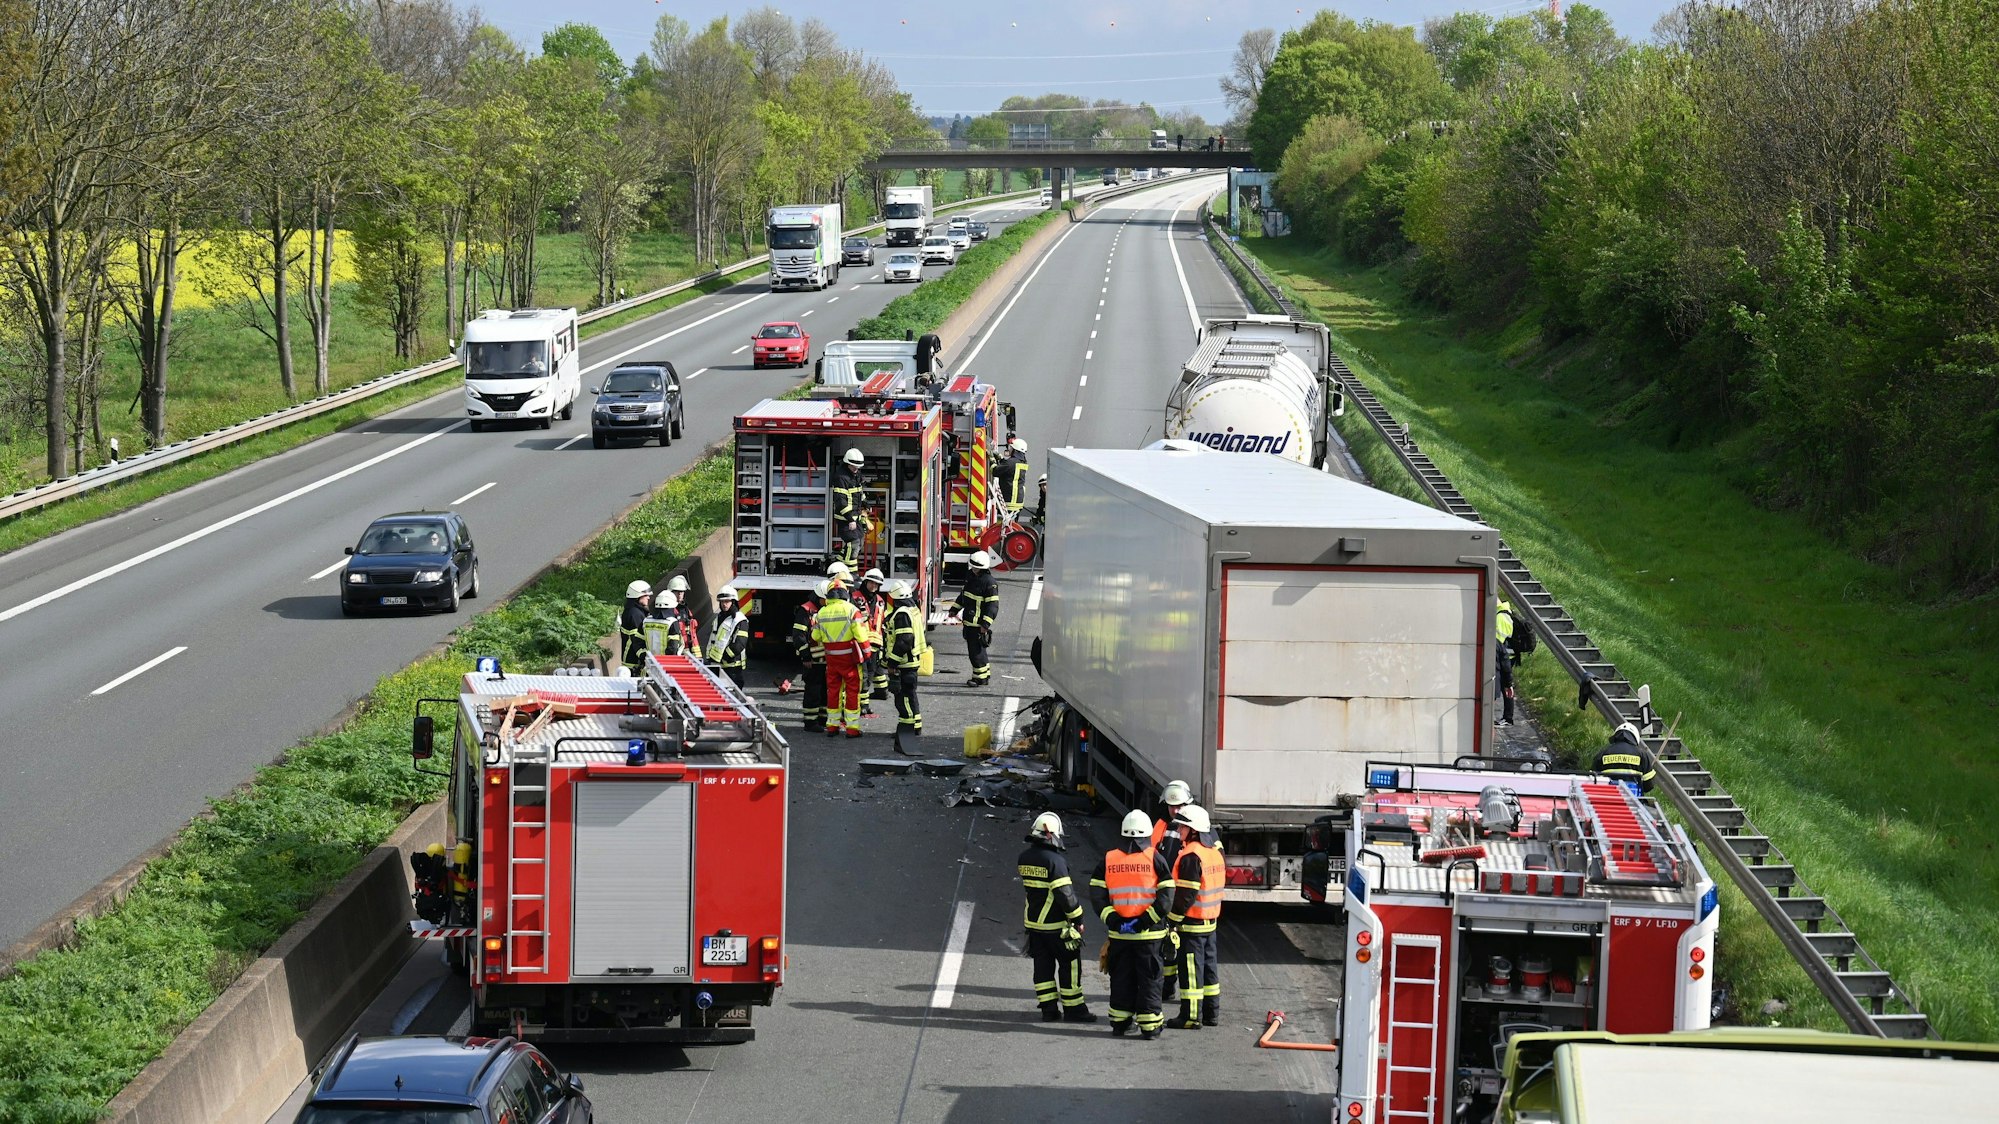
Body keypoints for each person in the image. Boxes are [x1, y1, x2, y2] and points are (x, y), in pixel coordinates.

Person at [1090, 810, 1174, 1040]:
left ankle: (1120, 1023)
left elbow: (1097, 895)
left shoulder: (1109, 859)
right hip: (1148, 936)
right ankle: (1150, 1027)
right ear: (1147, 834)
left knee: (1121, 979)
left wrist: (1114, 920)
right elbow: (1166, 898)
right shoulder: (1155, 858)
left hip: (1119, 935)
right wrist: (1144, 921)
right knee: (1149, 981)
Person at [1019, 812, 1097, 1024]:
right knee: (1069, 966)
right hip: (1057, 927)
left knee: (1042, 967)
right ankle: (1074, 1010)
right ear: (1054, 835)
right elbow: (1066, 896)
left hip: (1034, 925)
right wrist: (1078, 919)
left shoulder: (1024, 858)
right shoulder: (1055, 862)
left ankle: (1049, 1010)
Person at [1166, 805, 1224, 1029]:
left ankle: (1190, 1017)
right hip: (1210, 922)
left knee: (1190, 970)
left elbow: (1186, 895)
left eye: (1182, 826)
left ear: (1193, 830)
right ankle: (1211, 1014)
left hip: (1192, 923)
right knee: (1209, 969)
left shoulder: (1192, 856)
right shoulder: (1213, 854)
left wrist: (1172, 919)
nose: (1179, 830)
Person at [1150, 778, 1194, 1000]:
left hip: (1183, 893)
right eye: (1172, 806)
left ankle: (1174, 986)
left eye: (1179, 806)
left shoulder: (1193, 828)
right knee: (1166, 943)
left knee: (1180, 943)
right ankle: (1167, 987)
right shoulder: (1161, 825)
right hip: (1164, 893)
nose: (1175, 810)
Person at [811, 581, 867, 738]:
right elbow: (861, 636)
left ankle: (832, 726)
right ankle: (852, 728)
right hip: (849, 659)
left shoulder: (821, 612)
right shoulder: (852, 610)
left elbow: (815, 637)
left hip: (831, 660)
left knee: (833, 692)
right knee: (852, 692)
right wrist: (867, 653)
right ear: (845, 592)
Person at [881, 579, 927, 754]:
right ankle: (915, 726)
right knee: (910, 695)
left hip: (904, 664)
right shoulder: (912, 610)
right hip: (911, 662)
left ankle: (906, 731)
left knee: (903, 699)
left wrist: (892, 662)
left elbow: (904, 641)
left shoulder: (901, 614)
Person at [956, 549, 999, 686]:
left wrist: (985, 624)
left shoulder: (989, 583)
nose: (973, 569)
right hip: (969, 622)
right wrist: (954, 609)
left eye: (976, 567)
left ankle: (979, 678)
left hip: (978, 624)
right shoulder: (971, 577)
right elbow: (964, 596)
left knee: (976, 653)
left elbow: (992, 606)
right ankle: (984, 675)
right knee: (978, 651)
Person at [790, 583, 828, 732]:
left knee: (825, 690)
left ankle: (822, 720)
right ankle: (810, 722)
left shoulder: (825, 609)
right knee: (813, 690)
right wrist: (806, 657)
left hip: (825, 659)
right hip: (812, 659)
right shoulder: (805, 610)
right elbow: (798, 636)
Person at [855, 567, 891, 707]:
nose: (874, 586)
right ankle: (863, 705)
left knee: (871, 672)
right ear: (865, 582)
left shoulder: (880, 601)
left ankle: (868, 699)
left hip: (875, 644)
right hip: (859, 643)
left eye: (877, 584)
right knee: (863, 675)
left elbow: (882, 622)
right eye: (871, 583)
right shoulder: (855, 598)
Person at [1593, 722, 1658, 794]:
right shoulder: (1642, 754)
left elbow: (1593, 780)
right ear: (1635, 737)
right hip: (1634, 800)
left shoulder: (1603, 753)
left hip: (1608, 799)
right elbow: (1649, 785)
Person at [705, 586, 751, 686]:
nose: (724, 604)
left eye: (727, 601)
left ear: (733, 602)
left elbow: (740, 643)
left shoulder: (740, 620)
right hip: (716, 663)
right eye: (722, 602)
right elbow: (713, 639)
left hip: (732, 665)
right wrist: (709, 657)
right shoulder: (719, 617)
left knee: (734, 694)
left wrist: (725, 657)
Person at [832, 448, 867, 567]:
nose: (856, 469)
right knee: (853, 543)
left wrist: (865, 503)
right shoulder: (841, 478)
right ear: (847, 463)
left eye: (858, 467)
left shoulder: (855, 474)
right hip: (845, 518)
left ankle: (838, 563)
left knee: (860, 541)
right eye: (853, 466)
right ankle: (850, 571)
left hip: (855, 517)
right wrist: (850, 519)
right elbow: (841, 501)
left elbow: (859, 492)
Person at [618, 580, 652, 670]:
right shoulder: (635, 614)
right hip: (632, 660)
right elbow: (636, 639)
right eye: (646, 595)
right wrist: (642, 657)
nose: (648, 598)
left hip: (632, 658)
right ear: (637, 596)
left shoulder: (634, 611)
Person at [1494, 598, 1517, 727]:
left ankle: (1508, 718)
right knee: (1506, 686)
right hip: (1507, 654)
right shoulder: (1505, 613)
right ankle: (1507, 717)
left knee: (1505, 686)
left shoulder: (1500, 617)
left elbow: (1498, 641)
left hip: (1504, 655)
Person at [995, 436, 1030, 510]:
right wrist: (1001, 459)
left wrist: (992, 460)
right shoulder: (1023, 462)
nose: (1009, 450)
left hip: (1009, 500)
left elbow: (995, 471)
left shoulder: (1011, 463)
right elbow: (1010, 469)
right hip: (1018, 501)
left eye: (1011, 448)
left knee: (1003, 521)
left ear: (1015, 450)